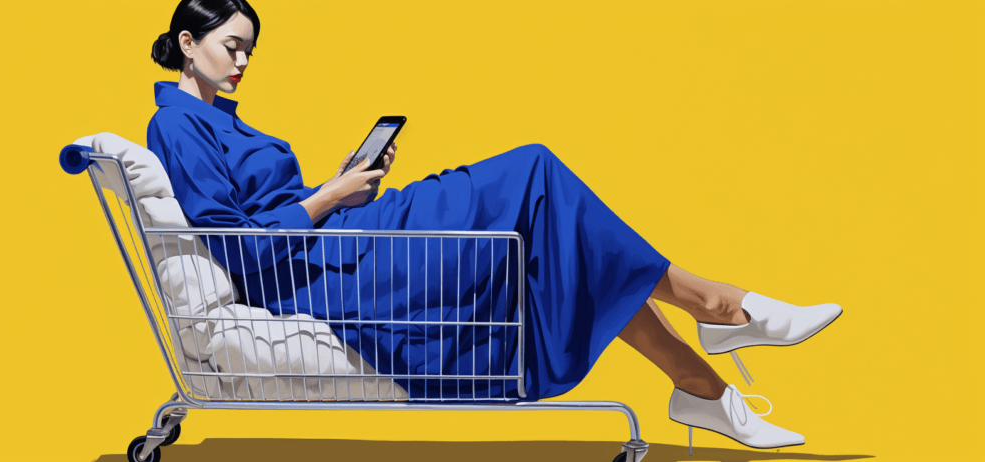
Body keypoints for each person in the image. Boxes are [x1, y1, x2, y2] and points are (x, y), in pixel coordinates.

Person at [146, 0, 842, 450]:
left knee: (554, 222)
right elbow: (235, 247)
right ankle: (717, 319)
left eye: (249, 52)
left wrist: (348, 186)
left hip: (348, 241)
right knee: (535, 174)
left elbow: (276, 210)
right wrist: (330, 196)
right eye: (231, 47)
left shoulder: (219, 121)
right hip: (322, 278)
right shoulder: (176, 125)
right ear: (187, 42)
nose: (241, 63)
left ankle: (705, 379)